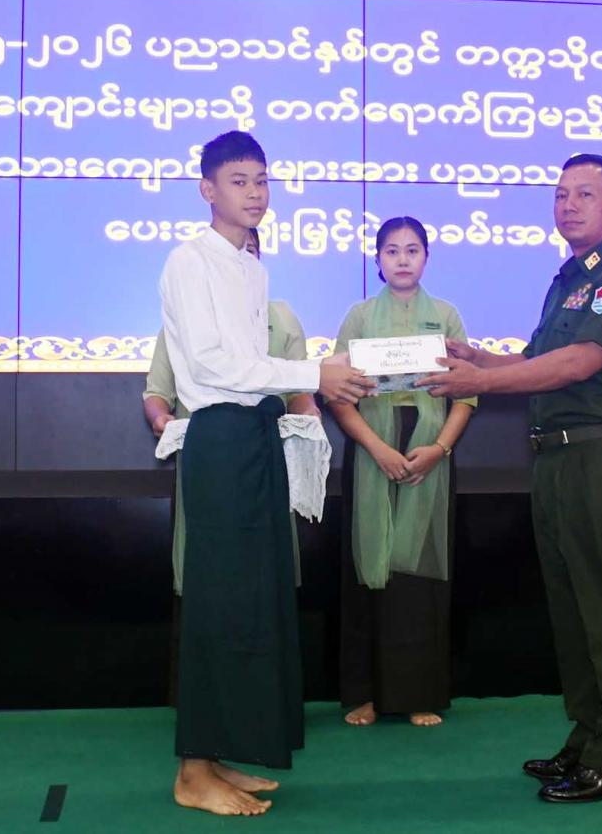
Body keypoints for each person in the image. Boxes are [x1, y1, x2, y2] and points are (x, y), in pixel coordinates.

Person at [420, 153, 602, 805]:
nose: (568, 205)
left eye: (585, 194)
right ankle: (588, 737)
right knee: (573, 611)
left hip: (599, 460)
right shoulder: (567, 281)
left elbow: (578, 364)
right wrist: (478, 357)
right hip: (555, 461)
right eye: (560, 194)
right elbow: (536, 361)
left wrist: (480, 380)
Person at [158, 130, 374, 817]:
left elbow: (252, 366)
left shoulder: (252, 266)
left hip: (256, 434)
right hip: (220, 438)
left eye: (262, 180)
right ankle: (191, 772)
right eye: (239, 181)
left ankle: (216, 753)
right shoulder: (190, 261)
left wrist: (307, 380)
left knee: (252, 597)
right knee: (219, 599)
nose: (255, 193)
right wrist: (313, 373)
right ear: (207, 189)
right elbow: (215, 365)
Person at [327, 216, 474, 729]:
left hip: (429, 452)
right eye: (392, 250)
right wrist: (376, 449)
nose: (403, 259)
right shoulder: (359, 316)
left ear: (426, 258)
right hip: (372, 452)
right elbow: (339, 396)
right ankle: (364, 694)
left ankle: (418, 692)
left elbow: (466, 394)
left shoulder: (447, 316)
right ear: (378, 260)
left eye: (413, 250)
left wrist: (439, 448)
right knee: (369, 569)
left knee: (418, 578)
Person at [144, 227, 318, 599]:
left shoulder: (282, 317)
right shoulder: (189, 309)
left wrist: (310, 412)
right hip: (212, 449)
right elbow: (158, 392)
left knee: (263, 572)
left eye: (249, 253)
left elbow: (298, 391)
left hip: (265, 450)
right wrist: (161, 419)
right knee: (213, 568)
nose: (241, 261)